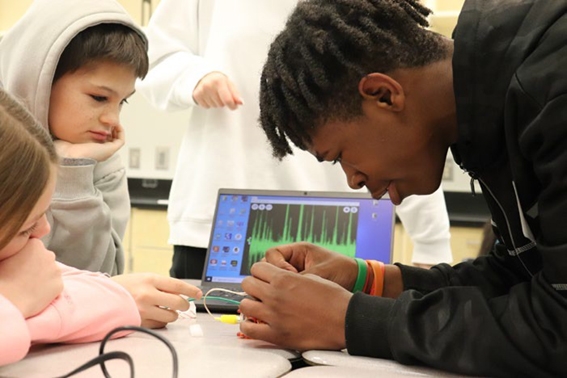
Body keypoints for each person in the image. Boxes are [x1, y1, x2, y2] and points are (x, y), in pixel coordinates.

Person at [238, 0, 567, 377]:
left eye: (342, 156)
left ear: (383, 95)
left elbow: (558, 322)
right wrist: (366, 279)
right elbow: (517, 277)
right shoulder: (488, 103)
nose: (353, 180)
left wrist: (351, 321)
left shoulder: (553, 86)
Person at [137, 0, 453, 279]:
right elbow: (152, 59)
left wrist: (431, 245)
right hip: (222, 225)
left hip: (338, 228)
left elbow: (409, 121)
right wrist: (194, 76)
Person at [0, 0, 203, 329]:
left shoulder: (100, 163)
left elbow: (99, 274)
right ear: (39, 77)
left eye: (121, 101)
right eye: (98, 98)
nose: (112, 119)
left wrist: (73, 172)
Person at [0, 89, 141, 366]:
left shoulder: (15, 260)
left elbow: (117, 303)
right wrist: (17, 300)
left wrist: (16, 318)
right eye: (25, 228)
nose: (43, 230)